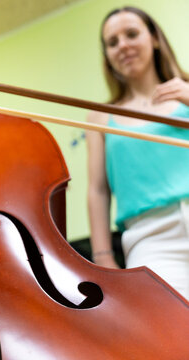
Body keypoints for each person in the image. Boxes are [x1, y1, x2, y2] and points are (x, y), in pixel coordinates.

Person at [86, 6, 189, 299]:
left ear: (154, 38)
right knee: (168, 334)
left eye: (131, 34)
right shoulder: (99, 117)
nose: (123, 46)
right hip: (150, 237)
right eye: (112, 42)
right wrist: (102, 255)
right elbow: (98, 190)